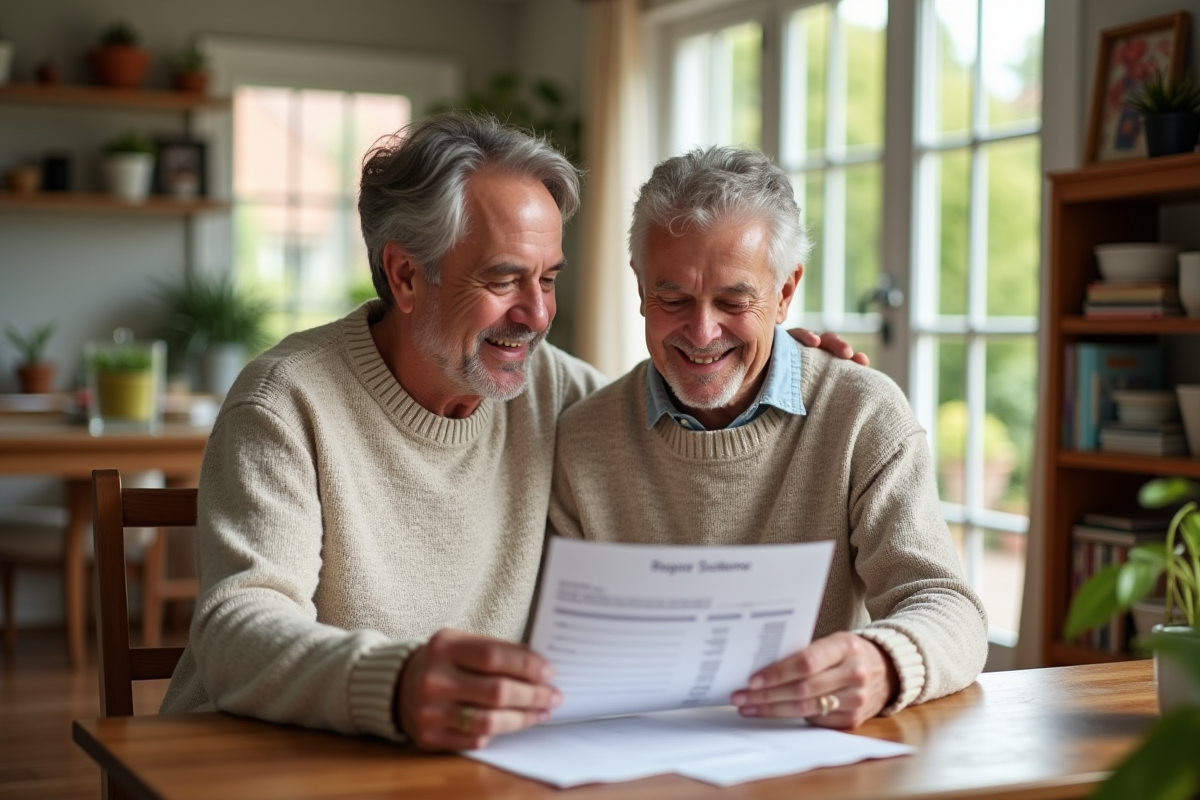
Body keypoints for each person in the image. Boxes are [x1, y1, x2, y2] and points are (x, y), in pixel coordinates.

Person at [161, 114, 862, 751]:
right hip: (257, 762)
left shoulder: (562, 397)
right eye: (504, 280)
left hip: (463, 769)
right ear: (406, 276)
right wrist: (396, 684)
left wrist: (772, 363)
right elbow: (234, 634)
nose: (536, 315)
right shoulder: (286, 403)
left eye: (549, 279)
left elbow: (692, 414)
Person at [548, 146, 988, 728]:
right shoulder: (584, 437)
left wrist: (884, 660)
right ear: (639, 288)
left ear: (784, 292)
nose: (702, 332)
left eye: (734, 301)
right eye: (673, 299)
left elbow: (947, 604)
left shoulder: (861, 414)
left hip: (812, 750)